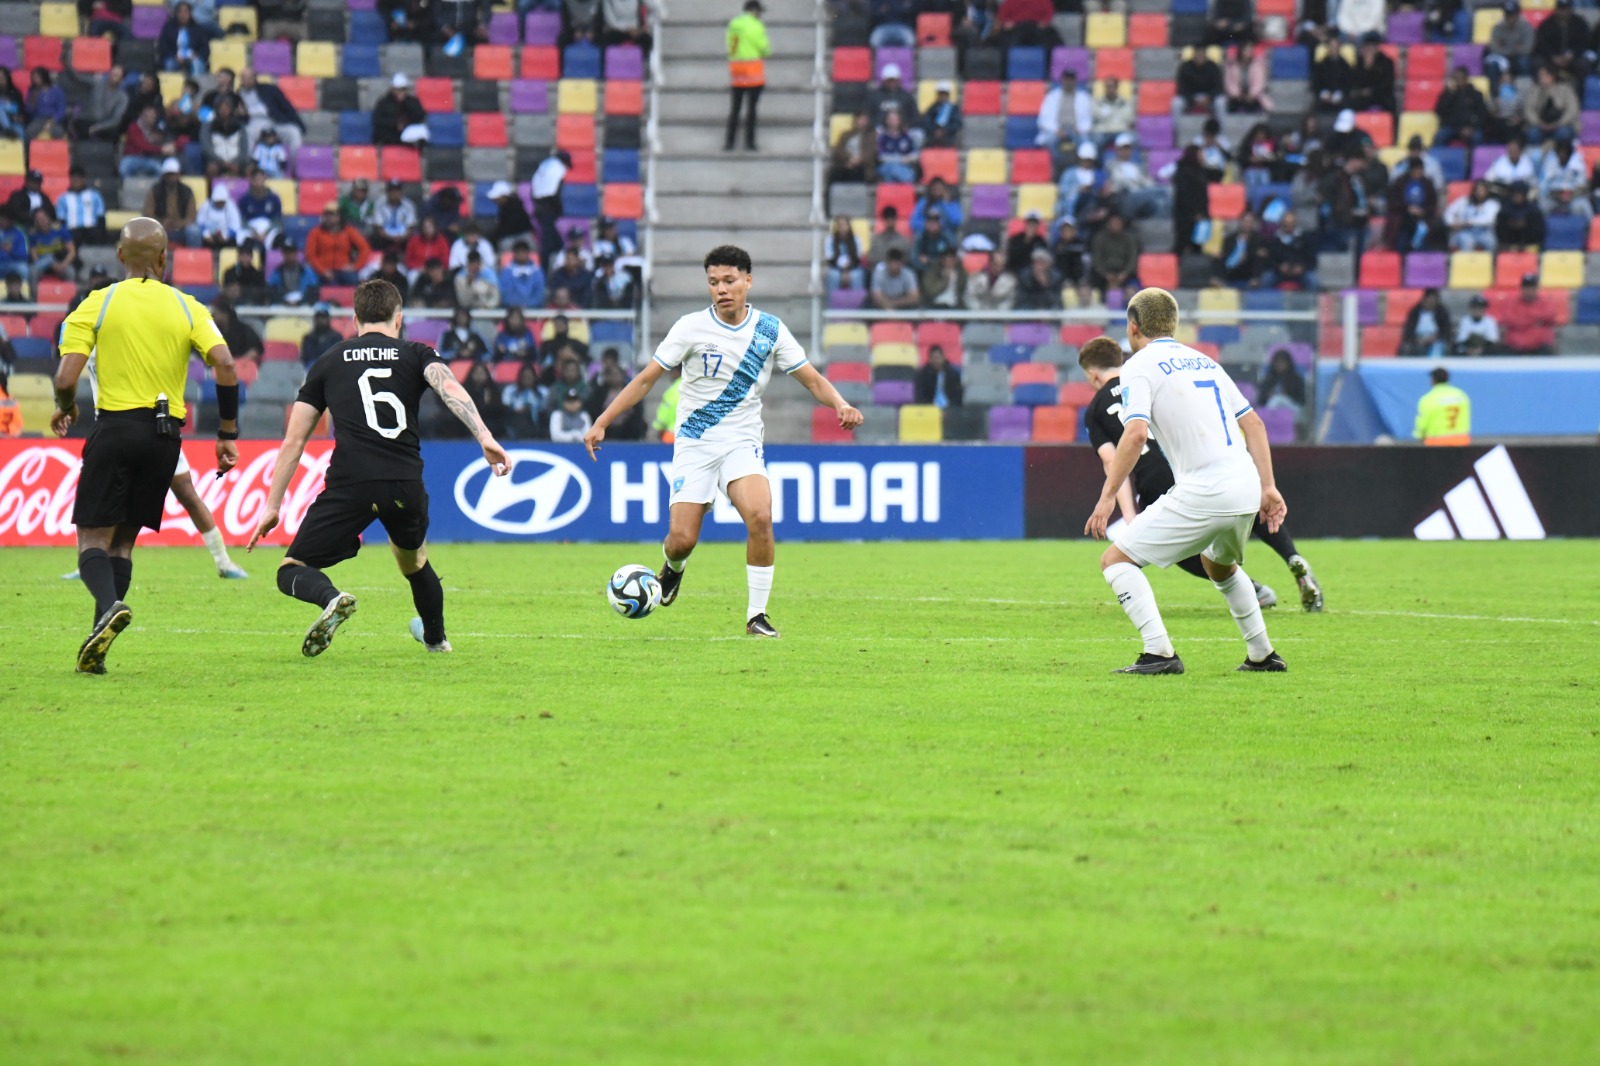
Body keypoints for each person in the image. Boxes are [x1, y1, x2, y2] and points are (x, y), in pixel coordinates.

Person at [583, 245, 864, 637]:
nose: (721, 289)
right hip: (695, 443)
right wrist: (603, 421)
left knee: (761, 515)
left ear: (748, 280)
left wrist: (840, 402)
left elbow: (812, 378)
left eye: (729, 280)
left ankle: (756, 616)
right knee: (681, 540)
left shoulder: (770, 330)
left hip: (741, 440)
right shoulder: (690, 327)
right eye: (713, 282)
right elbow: (647, 377)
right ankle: (673, 569)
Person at [247, 279, 510, 656]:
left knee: (291, 568)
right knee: (415, 561)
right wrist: (484, 435)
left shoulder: (329, 361)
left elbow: (294, 441)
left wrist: (273, 506)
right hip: (404, 482)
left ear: (355, 319)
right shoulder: (417, 353)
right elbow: (449, 387)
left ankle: (332, 598)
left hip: (351, 484)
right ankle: (436, 641)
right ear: (398, 319)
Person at [50, 218, 242, 674]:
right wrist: (227, 432)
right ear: (163, 258)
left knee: (92, 540)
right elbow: (226, 363)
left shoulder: (96, 303)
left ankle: (110, 603)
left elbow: (64, 378)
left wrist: (66, 407)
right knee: (123, 546)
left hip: (115, 429)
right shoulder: (187, 305)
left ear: (119, 256)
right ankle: (97, 646)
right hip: (164, 439)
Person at [1081, 292, 1294, 676]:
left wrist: (1107, 496)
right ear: (1173, 324)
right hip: (1245, 484)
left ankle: (1159, 653)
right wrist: (1268, 486)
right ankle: (1263, 655)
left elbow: (1134, 434)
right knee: (1219, 566)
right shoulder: (1206, 361)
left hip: (1205, 489)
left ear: (1133, 326)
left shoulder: (1139, 366)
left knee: (1115, 561)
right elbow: (1254, 425)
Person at [725, 0, 769, 151]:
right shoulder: (757, 25)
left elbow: (730, 46)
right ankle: (750, 143)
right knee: (752, 110)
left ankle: (729, 142)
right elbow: (764, 48)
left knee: (735, 109)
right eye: (760, 12)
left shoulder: (734, 24)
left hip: (737, 71)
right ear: (754, 11)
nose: (761, 15)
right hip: (753, 73)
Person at [306, 204, 373, 285]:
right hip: (324, 270)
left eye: (333, 215)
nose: (330, 218)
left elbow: (365, 249)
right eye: (327, 215)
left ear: (339, 217)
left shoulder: (348, 231)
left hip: (344, 270)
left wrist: (355, 266)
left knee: (354, 280)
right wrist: (322, 271)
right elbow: (311, 255)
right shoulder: (316, 232)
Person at [1037, 69, 1093, 158]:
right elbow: (1043, 119)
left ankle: (1078, 166)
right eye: (1067, 79)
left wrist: (1080, 129)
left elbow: (1088, 119)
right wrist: (1056, 130)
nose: (1069, 82)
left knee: (1086, 143)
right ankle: (1058, 165)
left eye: (1071, 79)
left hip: (1076, 130)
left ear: (1075, 81)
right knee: (1050, 141)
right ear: (1062, 80)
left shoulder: (1083, 97)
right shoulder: (1052, 96)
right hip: (1057, 131)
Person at [1502, 272, 1558, 354]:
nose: (1528, 290)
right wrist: (1536, 321)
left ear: (1536, 289)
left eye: (1531, 287)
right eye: (1526, 287)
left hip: (1540, 346)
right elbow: (1509, 320)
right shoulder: (1512, 303)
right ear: (1522, 288)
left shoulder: (1545, 303)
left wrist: (1523, 319)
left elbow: (1551, 316)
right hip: (1515, 347)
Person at [1413, 366, 1471, 445]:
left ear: (1433, 380)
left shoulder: (1428, 399)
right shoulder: (1461, 395)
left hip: (1437, 442)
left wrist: (1418, 435)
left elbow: (1422, 422)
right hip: (1461, 441)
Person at [1434, 66, 1489, 147]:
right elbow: (1439, 111)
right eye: (1455, 78)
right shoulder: (1447, 94)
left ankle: (1474, 159)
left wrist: (1471, 127)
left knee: (1477, 137)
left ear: (1466, 79)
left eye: (1459, 78)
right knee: (1440, 137)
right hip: (1451, 126)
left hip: (1470, 127)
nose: (1457, 80)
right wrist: (1450, 95)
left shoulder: (1475, 94)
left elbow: (1482, 114)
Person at [372, 73, 428, 148]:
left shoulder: (412, 101)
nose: (400, 92)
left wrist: (407, 104)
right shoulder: (384, 103)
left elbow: (420, 116)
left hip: (408, 131)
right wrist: (395, 124)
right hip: (391, 133)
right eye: (398, 89)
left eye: (402, 89)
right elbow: (378, 120)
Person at [1445, 180, 1499, 251]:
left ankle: (1491, 262)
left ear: (1486, 192)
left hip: (1484, 232)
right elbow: (1448, 212)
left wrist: (1468, 223)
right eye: (1477, 190)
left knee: (1491, 242)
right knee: (1466, 242)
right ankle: (1466, 262)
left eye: (1482, 191)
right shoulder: (1464, 201)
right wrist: (1452, 223)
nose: (1479, 193)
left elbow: (1489, 220)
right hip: (1465, 232)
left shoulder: (1492, 204)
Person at [828, 112, 879, 186]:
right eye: (861, 119)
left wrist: (859, 159)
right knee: (835, 172)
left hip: (863, 165)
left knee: (858, 172)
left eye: (865, 119)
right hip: (846, 162)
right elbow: (838, 150)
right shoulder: (846, 135)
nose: (863, 121)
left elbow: (872, 152)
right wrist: (849, 158)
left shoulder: (872, 135)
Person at [1401, 288, 1453, 357]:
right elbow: (1408, 331)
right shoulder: (1415, 312)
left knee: (1440, 348)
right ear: (1424, 300)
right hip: (1417, 340)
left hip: (1436, 340)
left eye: (1433, 301)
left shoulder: (1442, 312)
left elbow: (1446, 330)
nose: (1430, 303)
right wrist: (1417, 340)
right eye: (1429, 300)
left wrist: (1435, 338)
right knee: (1407, 348)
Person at [921, 81, 962, 147]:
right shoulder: (933, 107)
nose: (942, 96)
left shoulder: (953, 108)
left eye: (944, 94)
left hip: (948, 136)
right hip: (933, 135)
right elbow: (927, 121)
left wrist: (945, 131)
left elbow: (956, 123)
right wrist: (934, 130)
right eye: (941, 94)